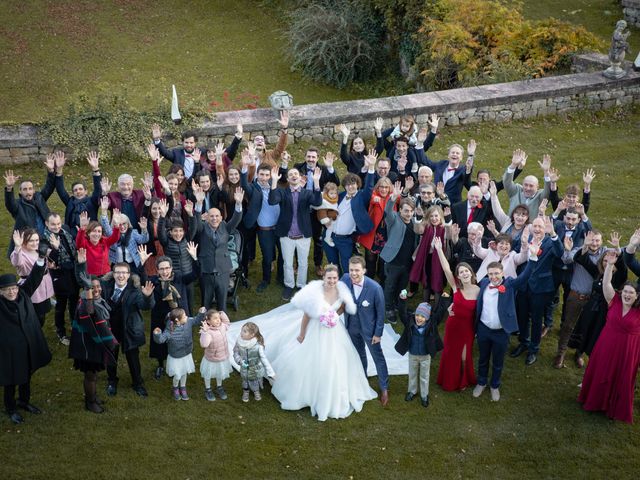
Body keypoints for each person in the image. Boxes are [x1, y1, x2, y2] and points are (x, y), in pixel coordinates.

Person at [265, 264, 377, 420]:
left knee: (337, 360)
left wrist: (334, 316)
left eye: (334, 278)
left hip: (335, 331)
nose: (332, 281)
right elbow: (306, 316)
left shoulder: (341, 291)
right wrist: (302, 334)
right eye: (329, 278)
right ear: (323, 277)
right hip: (315, 329)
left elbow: (343, 307)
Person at [472, 241, 539, 401]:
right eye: (491, 274)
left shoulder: (509, 284)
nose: (494, 277)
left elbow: (524, 276)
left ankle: (494, 385)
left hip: (501, 332)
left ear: (502, 273)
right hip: (483, 329)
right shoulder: (484, 285)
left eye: (496, 274)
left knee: (498, 361)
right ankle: (481, 382)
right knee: (483, 358)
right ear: (487, 275)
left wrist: (534, 257)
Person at [578, 251, 640, 423]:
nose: (627, 295)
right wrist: (610, 265)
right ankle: (595, 401)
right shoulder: (613, 301)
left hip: (627, 351)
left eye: (631, 293)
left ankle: (612, 407)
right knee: (601, 372)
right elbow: (606, 283)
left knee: (621, 377)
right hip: (606, 345)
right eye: (626, 292)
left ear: (637, 296)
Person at [0, 249, 51, 425]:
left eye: (13, 288)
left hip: (28, 346)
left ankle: (24, 401)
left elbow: (35, 277)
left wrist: (41, 259)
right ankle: (11, 408)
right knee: (10, 380)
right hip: (9, 352)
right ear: (1, 292)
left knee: (27, 375)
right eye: (7, 290)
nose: (12, 292)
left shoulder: (23, 293)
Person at [71, 248, 118, 413]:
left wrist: (82, 264)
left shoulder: (99, 300)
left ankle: (93, 397)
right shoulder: (86, 302)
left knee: (94, 375)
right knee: (90, 376)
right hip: (88, 346)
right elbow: (90, 313)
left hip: (95, 343)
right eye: (92, 287)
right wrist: (87, 289)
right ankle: (90, 402)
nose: (96, 289)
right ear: (86, 290)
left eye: (97, 286)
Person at [98, 262, 155, 398]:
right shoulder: (105, 286)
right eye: (117, 272)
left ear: (129, 275)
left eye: (124, 272)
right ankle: (112, 381)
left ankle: (137, 383)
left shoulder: (135, 290)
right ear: (113, 273)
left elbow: (146, 306)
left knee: (133, 358)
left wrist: (147, 296)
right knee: (111, 357)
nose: (121, 275)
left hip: (130, 330)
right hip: (111, 329)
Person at [341, 256, 390, 406]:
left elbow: (381, 313)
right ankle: (362, 380)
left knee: (377, 357)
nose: (353, 273)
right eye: (351, 270)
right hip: (352, 326)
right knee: (358, 354)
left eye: (357, 270)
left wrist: (378, 334)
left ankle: (384, 389)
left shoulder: (375, 288)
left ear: (364, 270)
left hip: (370, 330)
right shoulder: (345, 279)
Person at [268, 164, 322, 300]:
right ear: (287, 178)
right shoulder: (282, 192)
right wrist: (274, 181)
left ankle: (301, 285)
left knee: (303, 263)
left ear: (300, 177)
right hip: (287, 235)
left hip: (303, 235)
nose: (293, 175)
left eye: (295, 174)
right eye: (290, 174)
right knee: (287, 263)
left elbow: (318, 202)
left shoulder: (307, 193)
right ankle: (289, 285)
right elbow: (272, 200)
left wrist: (316, 181)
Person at [433, 237, 479, 392]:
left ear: (471, 273)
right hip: (453, 326)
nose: (464, 273)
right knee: (451, 354)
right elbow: (446, 269)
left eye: (466, 271)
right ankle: (449, 380)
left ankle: (464, 379)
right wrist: (439, 249)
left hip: (467, 329)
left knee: (465, 356)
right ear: (458, 276)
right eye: (461, 272)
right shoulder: (456, 287)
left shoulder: (479, 290)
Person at [193, 186, 244, 312]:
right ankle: (205, 324)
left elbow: (236, 219)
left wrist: (238, 203)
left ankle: (222, 325)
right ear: (207, 217)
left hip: (223, 270)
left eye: (217, 216)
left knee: (222, 301)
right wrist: (199, 204)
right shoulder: (202, 228)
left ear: (221, 218)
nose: (214, 218)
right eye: (211, 216)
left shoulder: (225, 227)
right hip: (207, 270)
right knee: (206, 301)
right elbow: (196, 224)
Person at [395, 300, 446, 408]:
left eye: (422, 316)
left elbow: (440, 314)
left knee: (424, 376)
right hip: (413, 354)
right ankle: (412, 391)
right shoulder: (409, 321)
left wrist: (444, 300)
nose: (419, 318)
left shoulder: (432, 324)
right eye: (417, 315)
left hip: (425, 356)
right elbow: (402, 313)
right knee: (412, 374)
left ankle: (424, 395)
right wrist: (402, 300)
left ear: (427, 317)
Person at [153, 307, 206, 401]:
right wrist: (157, 334)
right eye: (184, 316)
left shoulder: (188, 321)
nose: (187, 317)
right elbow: (161, 340)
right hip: (176, 357)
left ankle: (183, 387)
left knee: (184, 371)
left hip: (186, 354)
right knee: (177, 374)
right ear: (177, 320)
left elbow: (197, 320)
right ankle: (175, 387)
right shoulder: (170, 330)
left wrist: (201, 313)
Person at [43, 212, 79, 345]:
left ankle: (76, 327)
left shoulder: (65, 231)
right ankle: (61, 332)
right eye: (53, 224)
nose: (56, 226)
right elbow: (51, 260)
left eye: (58, 223)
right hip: (59, 276)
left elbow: (73, 248)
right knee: (61, 305)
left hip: (72, 272)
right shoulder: (44, 240)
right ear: (47, 224)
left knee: (75, 301)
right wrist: (56, 248)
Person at [4, 163, 56, 255]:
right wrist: (9, 188)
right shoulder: (17, 205)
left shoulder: (39, 197)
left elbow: (49, 187)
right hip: (29, 243)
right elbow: (9, 203)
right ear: (20, 191)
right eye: (24, 189)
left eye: (30, 188)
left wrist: (51, 171)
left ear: (34, 190)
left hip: (45, 238)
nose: (28, 192)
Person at [10, 229, 55, 327]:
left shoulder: (38, 250)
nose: (35, 243)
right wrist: (17, 247)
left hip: (44, 285)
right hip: (33, 288)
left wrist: (50, 264)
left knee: (43, 312)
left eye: (37, 240)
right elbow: (16, 262)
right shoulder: (21, 254)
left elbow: (49, 257)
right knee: (36, 315)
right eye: (31, 241)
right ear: (24, 241)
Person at [53, 151, 102, 231]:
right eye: (75, 190)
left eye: (80, 189)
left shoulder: (92, 201)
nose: (78, 191)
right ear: (73, 193)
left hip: (90, 233)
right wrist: (59, 170)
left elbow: (98, 189)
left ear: (86, 191)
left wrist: (95, 169)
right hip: (73, 233)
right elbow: (60, 189)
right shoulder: (70, 202)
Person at [233, 322, 276, 403]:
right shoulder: (239, 342)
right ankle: (246, 392)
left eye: (245, 331)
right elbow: (235, 353)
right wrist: (240, 361)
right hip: (244, 368)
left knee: (254, 381)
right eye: (242, 330)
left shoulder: (258, 346)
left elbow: (264, 359)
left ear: (252, 334)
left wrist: (271, 372)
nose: (241, 333)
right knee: (245, 381)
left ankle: (256, 391)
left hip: (255, 368)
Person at [502, 149, 551, 218]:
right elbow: (506, 182)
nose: (528, 188)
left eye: (531, 186)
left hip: (532, 227)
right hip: (512, 226)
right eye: (526, 185)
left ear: (537, 187)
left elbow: (548, 190)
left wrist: (546, 172)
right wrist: (513, 165)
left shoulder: (540, 196)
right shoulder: (516, 191)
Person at [199, 309, 232, 402]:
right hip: (211, 359)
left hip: (222, 357)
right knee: (208, 374)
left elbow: (227, 322)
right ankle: (208, 389)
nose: (218, 320)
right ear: (208, 321)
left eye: (219, 318)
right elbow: (204, 344)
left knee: (220, 373)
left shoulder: (223, 326)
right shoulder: (208, 332)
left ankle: (219, 387)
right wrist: (205, 332)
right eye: (215, 318)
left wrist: (221, 313)